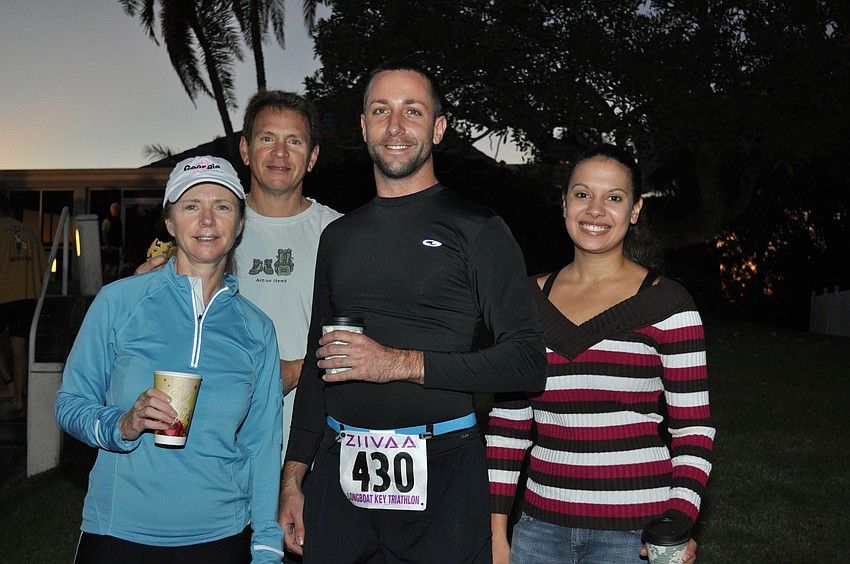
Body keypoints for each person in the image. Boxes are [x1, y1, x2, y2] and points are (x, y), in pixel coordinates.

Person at [278, 62, 548, 563]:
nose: (395, 126)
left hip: (443, 474)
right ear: (363, 127)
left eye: (412, 111)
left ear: (438, 129)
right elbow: (321, 368)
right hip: (339, 478)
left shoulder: (478, 229)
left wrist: (398, 364)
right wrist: (294, 477)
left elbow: (527, 360)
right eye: (381, 111)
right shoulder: (337, 238)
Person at [486, 145, 714, 563]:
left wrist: (677, 523)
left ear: (635, 210)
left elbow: (693, 432)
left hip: (635, 538)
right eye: (582, 194)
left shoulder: (670, 305)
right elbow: (509, 425)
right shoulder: (525, 302)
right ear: (564, 202)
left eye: (614, 198)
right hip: (538, 531)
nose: (595, 210)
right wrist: (498, 535)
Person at [55, 156, 285, 563]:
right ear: (170, 222)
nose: (208, 220)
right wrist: (122, 424)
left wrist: (266, 544)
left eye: (223, 206)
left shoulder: (257, 330)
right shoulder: (119, 302)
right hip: (118, 533)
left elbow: (262, 448)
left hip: (221, 537)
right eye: (192, 206)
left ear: (240, 223)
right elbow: (69, 404)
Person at [140, 91, 341, 459]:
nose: (279, 153)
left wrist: (299, 369)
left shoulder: (341, 235)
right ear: (246, 151)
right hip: (209, 443)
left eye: (293, 141)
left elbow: (360, 331)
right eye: (267, 138)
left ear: (312, 157)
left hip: (310, 445)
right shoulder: (207, 227)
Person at [0, 193, 48, 415]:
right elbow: (43, 265)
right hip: (27, 295)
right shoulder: (27, 231)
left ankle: (9, 383)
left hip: (4, 295)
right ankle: (18, 397)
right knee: (19, 346)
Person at [101, 201, 122, 280]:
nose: (116, 211)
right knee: (108, 267)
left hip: (116, 248)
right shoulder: (107, 221)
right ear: (111, 210)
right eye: (115, 209)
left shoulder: (118, 221)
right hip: (108, 249)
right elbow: (104, 233)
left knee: (114, 268)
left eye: (118, 209)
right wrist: (108, 246)